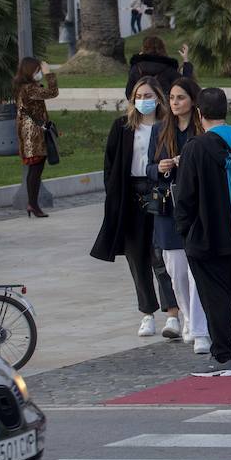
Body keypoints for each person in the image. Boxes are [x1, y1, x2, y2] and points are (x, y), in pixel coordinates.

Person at [174, 87, 231, 377]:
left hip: (208, 235)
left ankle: (222, 355)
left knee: (215, 296)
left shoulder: (195, 148)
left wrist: (184, 229)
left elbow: (186, 195)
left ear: (200, 114)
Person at [92, 78, 181, 338]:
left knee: (160, 254)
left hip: (158, 190)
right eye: (139, 95)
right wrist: (113, 192)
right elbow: (110, 163)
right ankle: (147, 312)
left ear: (158, 98)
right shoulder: (122, 127)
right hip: (130, 194)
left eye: (148, 95)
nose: (143, 100)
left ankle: (172, 312)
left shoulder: (167, 127)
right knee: (136, 256)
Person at [149, 77, 209, 354]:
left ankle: (200, 329)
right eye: (172, 98)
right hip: (168, 208)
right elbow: (147, 169)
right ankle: (188, 317)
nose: (174, 103)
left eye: (180, 97)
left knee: (197, 270)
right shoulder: (160, 130)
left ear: (193, 100)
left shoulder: (201, 130)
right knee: (177, 273)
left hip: (197, 207)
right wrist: (160, 167)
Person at [14, 57, 58, 218]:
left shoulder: (28, 87)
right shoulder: (29, 89)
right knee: (35, 169)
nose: (40, 73)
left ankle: (33, 204)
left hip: (34, 132)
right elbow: (53, 92)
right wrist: (49, 74)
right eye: (38, 70)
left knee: (36, 169)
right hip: (33, 134)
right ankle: (33, 204)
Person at [125, 35, 194, 98]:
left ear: (144, 49)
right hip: (164, 108)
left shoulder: (136, 68)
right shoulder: (169, 69)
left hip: (140, 108)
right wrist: (186, 61)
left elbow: (129, 93)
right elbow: (185, 84)